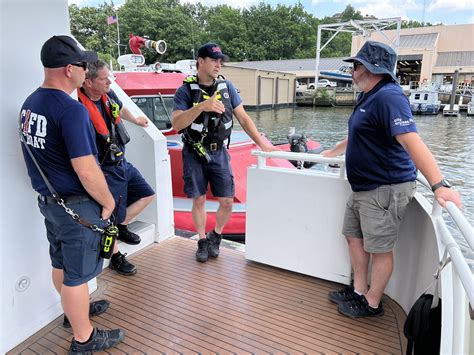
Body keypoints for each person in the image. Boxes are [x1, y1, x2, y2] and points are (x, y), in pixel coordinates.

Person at [322, 41, 462, 318]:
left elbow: (411, 141)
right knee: (353, 237)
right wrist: (331, 152)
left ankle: (372, 303)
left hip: (384, 189)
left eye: (357, 65)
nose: (352, 70)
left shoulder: (389, 97)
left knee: (380, 249)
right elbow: (359, 135)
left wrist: (438, 184)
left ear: (373, 68)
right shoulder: (367, 96)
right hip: (363, 188)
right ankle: (359, 290)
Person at [19, 35, 124, 353]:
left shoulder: (31, 103)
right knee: (77, 276)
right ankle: (84, 338)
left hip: (52, 205)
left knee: (61, 264)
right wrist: (108, 202)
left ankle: (74, 313)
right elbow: (86, 169)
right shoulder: (71, 110)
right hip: (77, 206)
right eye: (83, 65)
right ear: (68, 69)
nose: (86, 70)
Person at [172, 43, 278, 262]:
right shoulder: (184, 91)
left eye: (221, 60)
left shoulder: (227, 87)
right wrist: (202, 106)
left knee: (227, 201)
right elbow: (176, 123)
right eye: (214, 60)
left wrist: (262, 144)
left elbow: (244, 118)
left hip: (219, 151)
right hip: (194, 152)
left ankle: (216, 235)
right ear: (200, 61)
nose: (218, 64)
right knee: (199, 199)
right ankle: (201, 240)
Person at [79, 60, 155, 276]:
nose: (109, 82)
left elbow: (120, 108)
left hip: (121, 162)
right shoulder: (79, 108)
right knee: (107, 215)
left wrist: (137, 120)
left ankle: (122, 226)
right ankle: (115, 256)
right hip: (104, 169)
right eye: (104, 79)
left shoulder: (108, 95)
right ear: (88, 82)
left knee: (147, 194)